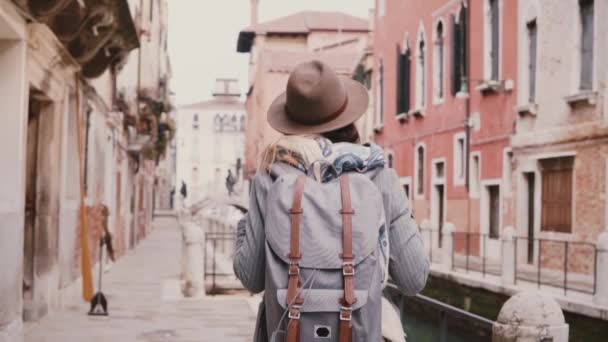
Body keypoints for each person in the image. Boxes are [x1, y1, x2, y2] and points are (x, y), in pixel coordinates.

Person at [233, 60, 429, 342]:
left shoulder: (270, 178)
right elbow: (413, 279)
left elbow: (250, 276)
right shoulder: (380, 177)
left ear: (290, 123)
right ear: (348, 117)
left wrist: (247, 221)